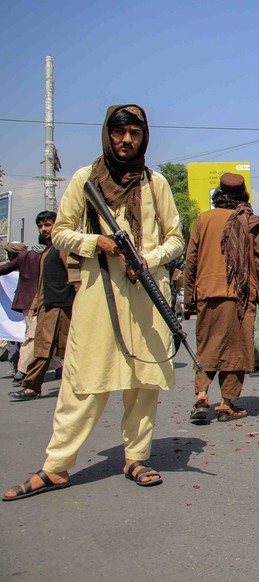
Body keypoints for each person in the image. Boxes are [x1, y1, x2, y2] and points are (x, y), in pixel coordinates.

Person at [2, 104, 184, 500]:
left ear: (143, 137)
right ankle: (57, 467)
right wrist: (95, 242)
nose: (126, 141)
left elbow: (175, 240)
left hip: (147, 298)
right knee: (84, 383)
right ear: (108, 134)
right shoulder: (85, 180)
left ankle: (136, 457)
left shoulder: (156, 185)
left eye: (134, 133)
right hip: (98, 295)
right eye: (119, 133)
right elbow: (62, 232)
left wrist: (147, 260)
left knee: (143, 382)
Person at [184, 172, 259, 422]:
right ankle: (227, 404)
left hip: (208, 293)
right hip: (241, 296)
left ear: (218, 194)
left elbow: (190, 261)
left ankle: (201, 397)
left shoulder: (203, 220)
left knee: (207, 346)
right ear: (243, 195)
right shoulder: (250, 221)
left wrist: (189, 297)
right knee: (236, 349)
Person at [8, 211, 77, 401]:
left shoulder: (62, 247)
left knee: (60, 349)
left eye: (48, 225)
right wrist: (36, 303)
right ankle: (32, 386)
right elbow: (42, 282)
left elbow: (74, 278)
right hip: (49, 306)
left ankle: (33, 387)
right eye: (41, 226)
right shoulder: (47, 250)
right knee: (43, 348)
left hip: (63, 306)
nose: (44, 229)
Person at [0, 238, 43, 384]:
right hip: (45, 299)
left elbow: (5, 269)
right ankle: (57, 367)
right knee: (40, 334)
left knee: (32, 334)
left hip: (31, 302)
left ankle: (22, 369)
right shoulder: (41, 254)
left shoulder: (23, 258)